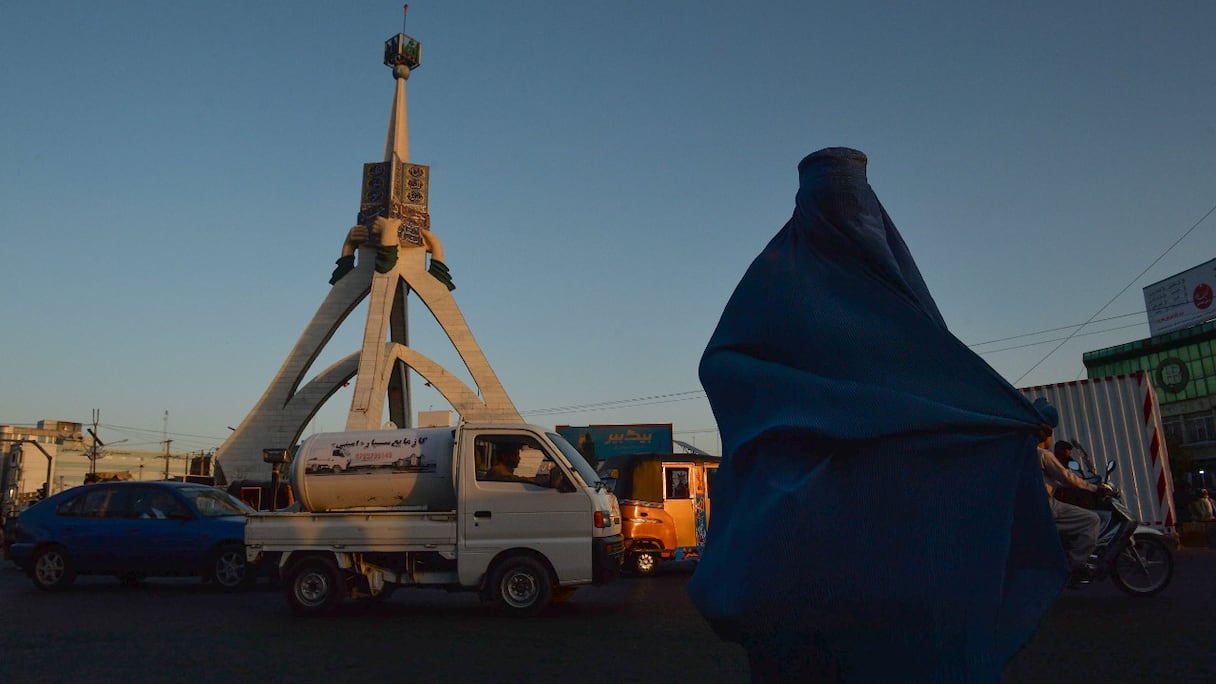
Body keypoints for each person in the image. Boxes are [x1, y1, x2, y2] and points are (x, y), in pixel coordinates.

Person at [691, 147, 1069, 682]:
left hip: (880, 568)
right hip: (801, 560)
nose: (847, 220)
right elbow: (726, 367)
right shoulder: (780, 284)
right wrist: (830, 412)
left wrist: (1004, 420)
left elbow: (946, 389)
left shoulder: (895, 302)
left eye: (856, 204)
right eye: (832, 204)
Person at [1033, 400, 1112, 586]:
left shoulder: (1026, 452)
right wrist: (1094, 488)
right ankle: (1074, 565)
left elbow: (1060, 479)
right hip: (1046, 507)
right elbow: (1067, 477)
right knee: (1091, 520)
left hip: (1035, 505)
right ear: (1046, 433)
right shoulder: (1044, 455)